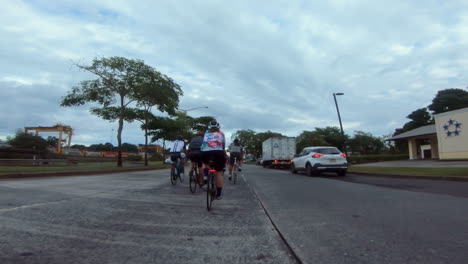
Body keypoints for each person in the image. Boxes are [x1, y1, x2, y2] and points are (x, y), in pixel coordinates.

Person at [201, 119, 226, 199]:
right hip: (218, 152)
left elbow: (203, 144)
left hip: (205, 153)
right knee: (219, 172)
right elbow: (223, 146)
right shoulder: (221, 133)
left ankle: (205, 175)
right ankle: (218, 194)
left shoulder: (206, 133)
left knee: (205, 164)